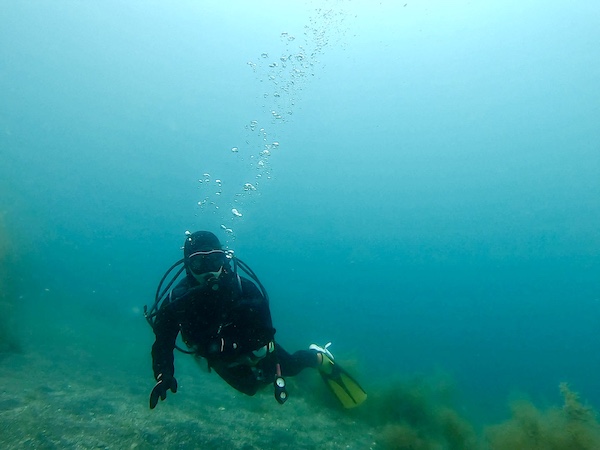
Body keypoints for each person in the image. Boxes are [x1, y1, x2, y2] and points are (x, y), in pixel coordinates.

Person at [146, 230, 366, 410]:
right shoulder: (177, 301)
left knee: (289, 367)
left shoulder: (244, 289)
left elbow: (266, 333)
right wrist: (164, 374)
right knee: (250, 389)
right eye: (199, 264)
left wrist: (230, 344)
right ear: (188, 266)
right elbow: (163, 342)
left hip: (255, 349)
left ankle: (318, 357)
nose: (209, 271)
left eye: (215, 260)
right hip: (216, 357)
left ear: (224, 260)